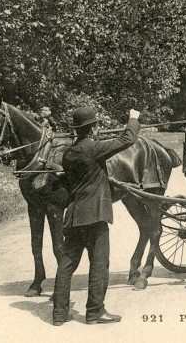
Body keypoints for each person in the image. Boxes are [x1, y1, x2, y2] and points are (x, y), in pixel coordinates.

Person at [52, 106, 140, 326]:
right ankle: (94, 312)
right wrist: (133, 119)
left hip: (73, 217)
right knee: (99, 264)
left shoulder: (68, 154)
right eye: (97, 127)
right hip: (95, 217)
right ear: (92, 129)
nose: (99, 130)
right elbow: (127, 140)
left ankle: (59, 315)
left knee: (66, 266)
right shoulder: (93, 148)